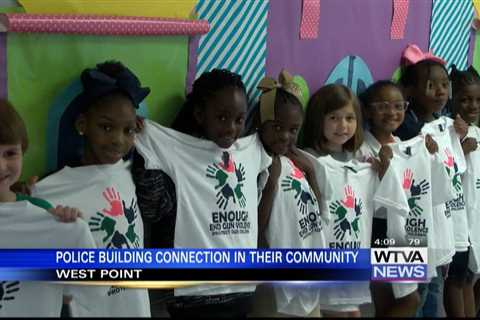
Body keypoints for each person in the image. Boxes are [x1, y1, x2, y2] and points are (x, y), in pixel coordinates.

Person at [134, 69, 272, 318]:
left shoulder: (252, 147)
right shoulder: (177, 148)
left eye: (239, 119)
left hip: (241, 286)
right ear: (199, 114)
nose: (231, 128)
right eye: (221, 117)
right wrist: (138, 129)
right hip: (194, 291)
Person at [33, 61, 151, 317]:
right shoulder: (50, 190)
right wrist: (21, 198)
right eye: (106, 127)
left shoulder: (132, 173)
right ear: (82, 124)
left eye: (128, 130)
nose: (118, 139)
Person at [0, 99, 100, 317]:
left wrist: (68, 232)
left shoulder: (45, 214)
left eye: (10, 153)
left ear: (23, 151)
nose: (0, 166)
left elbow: (68, 294)